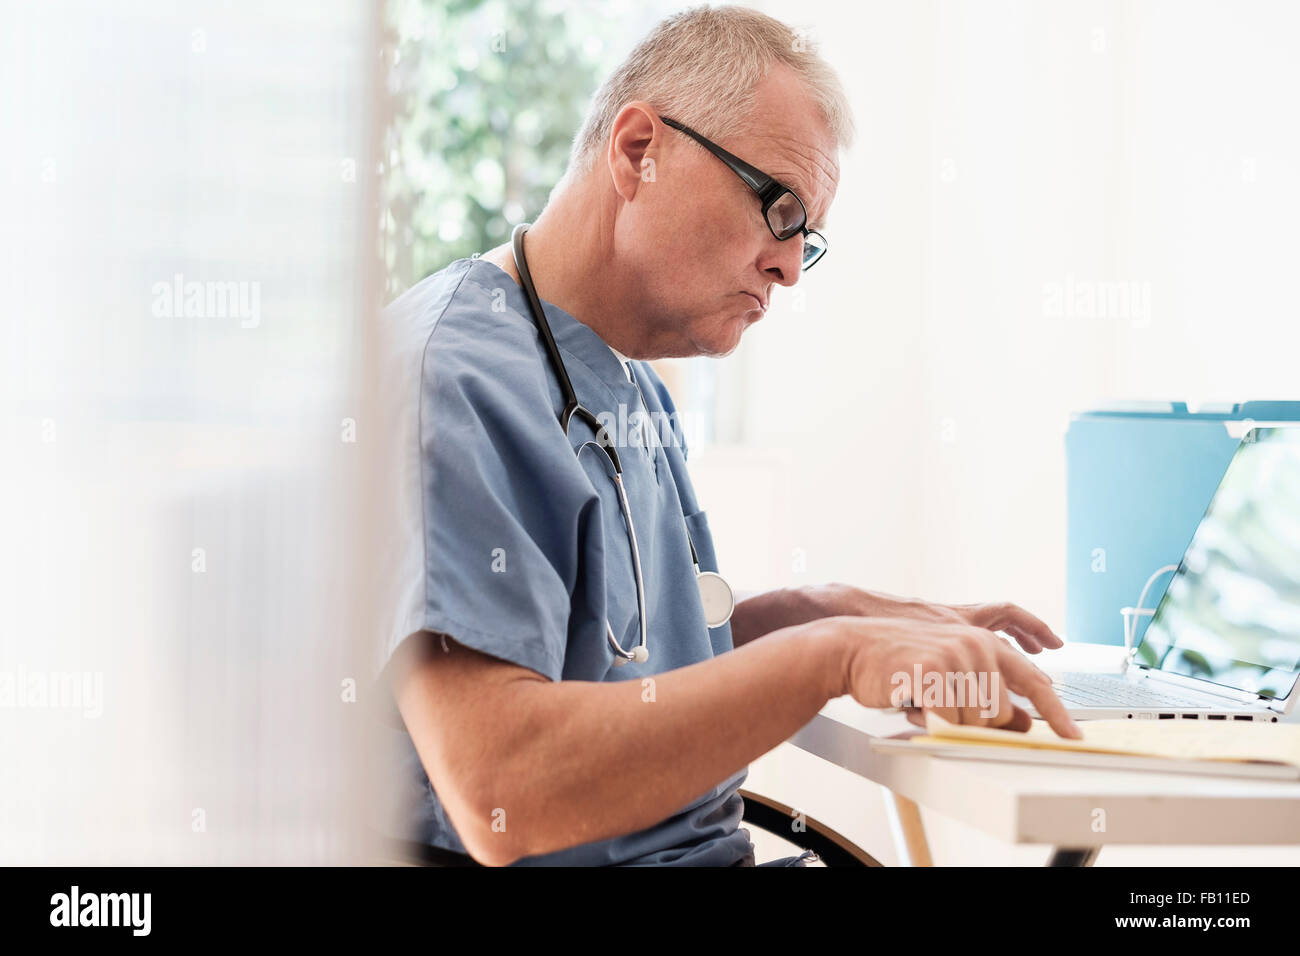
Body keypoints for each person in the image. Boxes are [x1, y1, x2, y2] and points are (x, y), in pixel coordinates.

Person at [373, 4, 1080, 868]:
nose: (788, 265)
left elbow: (623, 668)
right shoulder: (449, 379)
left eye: (805, 238)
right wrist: (832, 657)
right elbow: (499, 788)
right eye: (778, 209)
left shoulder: (628, 379)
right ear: (640, 151)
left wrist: (818, 612)